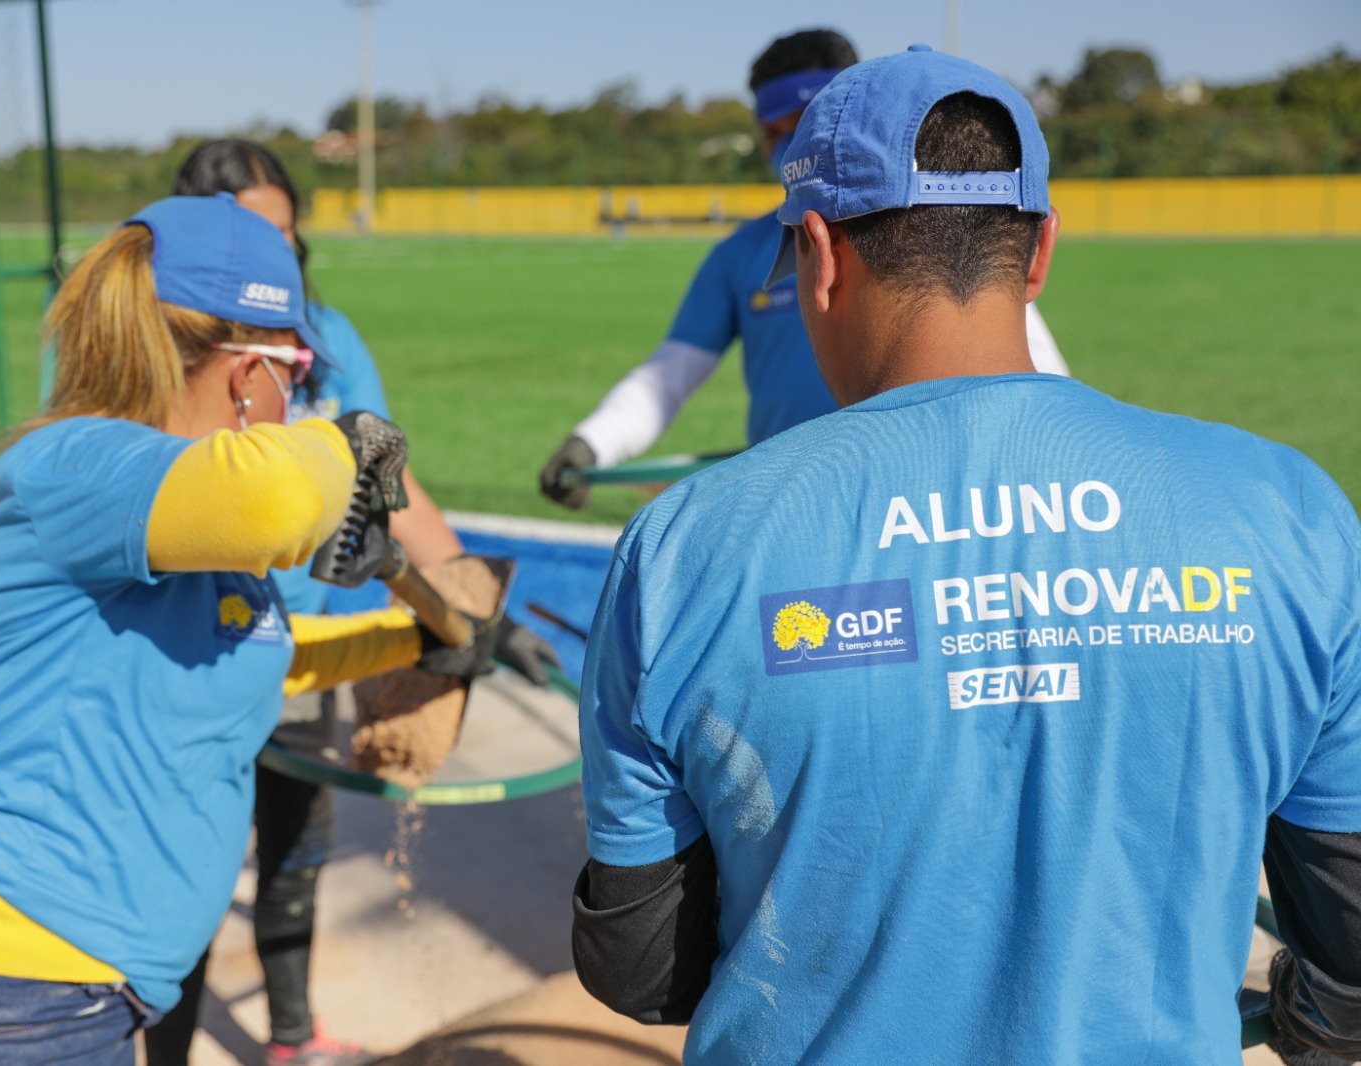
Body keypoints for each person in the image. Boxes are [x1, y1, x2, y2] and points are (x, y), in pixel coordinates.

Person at [571, 46, 1361, 1065]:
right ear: (1038, 254)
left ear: (815, 253)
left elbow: (641, 969)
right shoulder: (1289, 510)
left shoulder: (678, 548)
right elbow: (1346, 938)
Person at [0, 194, 501, 1066]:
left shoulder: (178, 524)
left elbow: (251, 653)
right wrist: (351, 438)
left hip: (64, 997)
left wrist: (417, 643)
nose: (299, 394)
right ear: (249, 372)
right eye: (295, 369)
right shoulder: (84, 465)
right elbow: (280, 498)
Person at [145, 139, 558, 1066]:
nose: (277, 257)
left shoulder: (327, 336)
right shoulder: (163, 351)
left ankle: (290, 1038)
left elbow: (391, 485)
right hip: (192, 655)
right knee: (193, 875)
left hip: (310, 648)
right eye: (254, 236)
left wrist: (471, 601)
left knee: (294, 850)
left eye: (287, 236)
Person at [539, 29, 1070, 509]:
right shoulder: (737, 255)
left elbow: (1039, 378)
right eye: (773, 131)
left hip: (920, 499)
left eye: (808, 121)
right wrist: (595, 441)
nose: (790, 143)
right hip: (794, 508)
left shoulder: (932, 235)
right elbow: (668, 376)